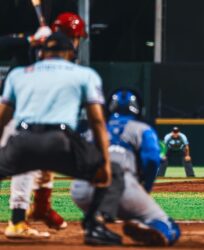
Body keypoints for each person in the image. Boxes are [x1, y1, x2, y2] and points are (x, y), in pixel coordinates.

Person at [0, 32, 122, 245]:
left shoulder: (18, 74)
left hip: (22, 142)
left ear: (41, 53)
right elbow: (97, 122)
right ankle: (93, 227)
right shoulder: (84, 74)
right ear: (70, 54)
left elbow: (1, 120)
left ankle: (26, 215)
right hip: (60, 143)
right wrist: (104, 162)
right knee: (115, 173)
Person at [1, 12, 88, 237]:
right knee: (26, 162)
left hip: (32, 115)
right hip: (13, 112)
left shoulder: (62, 54)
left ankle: (41, 208)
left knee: (40, 159)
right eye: (78, 37)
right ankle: (18, 221)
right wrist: (30, 40)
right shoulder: (40, 44)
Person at [70, 89, 181, 246]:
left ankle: (95, 219)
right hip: (123, 188)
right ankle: (145, 224)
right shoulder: (142, 129)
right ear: (139, 109)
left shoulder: (93, 130)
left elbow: (76, 159)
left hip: (81, 191)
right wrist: (146, 188)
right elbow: (151, 161)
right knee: (170, 227)